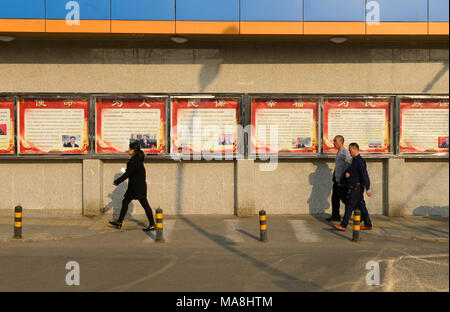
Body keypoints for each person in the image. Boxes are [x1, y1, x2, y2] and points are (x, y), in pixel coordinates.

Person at [109, 141, 156, 231]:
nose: (128, 150)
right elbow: (130, 172)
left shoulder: (135, 160)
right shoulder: (136, 159)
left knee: (145, 205)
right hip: (134, 187)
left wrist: (116, 181)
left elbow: (127, 174)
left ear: (133, 150)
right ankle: (119, 222)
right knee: (125, 201)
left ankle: (152, 224)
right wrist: (127, 170)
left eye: (129, 149)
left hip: (138, 187)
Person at [334, 143, 373, 231]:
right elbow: (353, 170)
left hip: (357, 186)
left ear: (355, 149)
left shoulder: (360, 161)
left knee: (349, 205)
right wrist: (349, 173)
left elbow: (364, 174)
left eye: (350, 150)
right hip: (355, 185)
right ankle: (368, 224)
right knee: (361, 205)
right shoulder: (354, 160)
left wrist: (368, 188)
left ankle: (343, 225)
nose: (349, 152)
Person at [326, 135, 351, 222]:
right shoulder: (339, 152)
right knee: (335, 198)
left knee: (344, 198)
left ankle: (360, 212)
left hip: (342, 180)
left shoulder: (345, 152)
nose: (333, 142)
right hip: (336, 180)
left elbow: (348, 162)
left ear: (340, 142)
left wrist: (344, 174)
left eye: (335, 141)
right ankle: (335, 216)